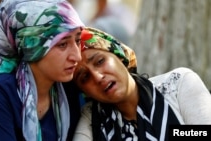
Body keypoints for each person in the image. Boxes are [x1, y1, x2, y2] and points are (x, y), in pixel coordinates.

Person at [0, 0, 84, 140]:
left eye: (78, 40)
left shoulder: (66, 90)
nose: (77, 56)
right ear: (31, 48)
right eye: (62, 44)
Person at [72, 27, 211, 141]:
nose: (97, 77)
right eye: (84, 78)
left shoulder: (178, 84)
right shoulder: (92, 118)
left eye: (100, 61)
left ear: (119, 56)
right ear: (84, 91)